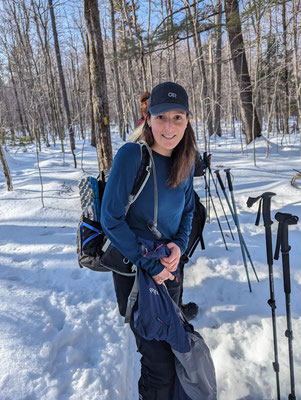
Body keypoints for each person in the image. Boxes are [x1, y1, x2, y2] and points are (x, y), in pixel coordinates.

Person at [101, 81, 197, 399]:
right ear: (148, 120)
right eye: (161, 117)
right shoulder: (132, 155)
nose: (169, 127)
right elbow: (110, 218)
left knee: (174, 353)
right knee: (159, 365)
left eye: (177, 117)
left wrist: (180, 246)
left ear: (187, 120)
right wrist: (148, 263)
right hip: (136, 273)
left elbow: (189, 211)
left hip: (168, 269)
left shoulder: (186, 160)